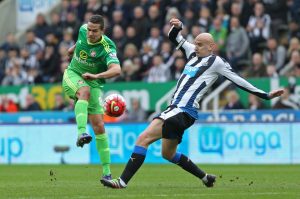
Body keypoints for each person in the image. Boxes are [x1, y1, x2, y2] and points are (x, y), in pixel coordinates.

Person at [100, 18, 284, 189]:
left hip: (182, 109)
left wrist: (265, 95)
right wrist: (178, 27)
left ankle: (122, 182)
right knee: (168, 154)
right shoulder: (191, 52)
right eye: (195, 43)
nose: (196, 47)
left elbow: (238, 80)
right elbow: (173, 36)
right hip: (178, 111)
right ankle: (205, 177)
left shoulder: (216, 62)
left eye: (200, 44)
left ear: (211, 46)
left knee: (143, 139)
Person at [62, 15, 121, 180]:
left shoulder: (107, 46)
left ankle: (107, 173)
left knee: (99, 126)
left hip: (93, 82)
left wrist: (96, 76)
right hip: (73, 74)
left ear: (103, 31)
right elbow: (80, 43)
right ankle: (81, 132)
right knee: (84, 91)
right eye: (89, 29)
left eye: (94, 31)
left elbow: (117, 70)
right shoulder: (82, 30)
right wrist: (71, 50)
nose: (90, 33)